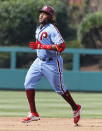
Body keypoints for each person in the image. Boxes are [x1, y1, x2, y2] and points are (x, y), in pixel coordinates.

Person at [22, 5, 81, 125]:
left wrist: (42, 46)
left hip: (52, 62)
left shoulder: (52, 29)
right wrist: (40, 47)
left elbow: (61, 46)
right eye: (41, 13)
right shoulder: (39, 28)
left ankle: (76, 108)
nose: (41, 15)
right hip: (39, 61)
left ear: (50, 17)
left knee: (59, 89)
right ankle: (34, 113)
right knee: (28, 83)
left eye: (44, 13)